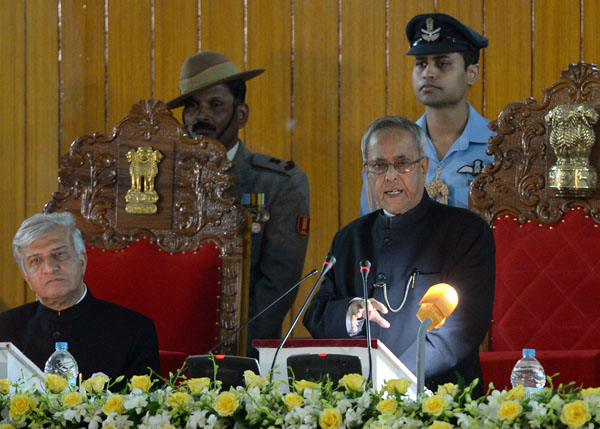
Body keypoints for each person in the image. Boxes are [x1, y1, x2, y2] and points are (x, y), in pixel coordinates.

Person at [304, 116, 495, 396]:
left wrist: (390, 381)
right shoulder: (349, 238)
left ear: (423, 167)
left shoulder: (465, 231)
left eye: (402, 163)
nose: (390, 176)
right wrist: (350, 311)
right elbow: (316, 314)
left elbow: (461, 328)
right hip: (359, 400)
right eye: (379, 165)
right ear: (367, 172)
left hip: (440, 400)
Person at [166, 51, 310, 358]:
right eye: (192, 107)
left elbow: (278, 287)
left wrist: (231, 355)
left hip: (243, 355)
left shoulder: (279, 183)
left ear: (241, 115)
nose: (200, 117)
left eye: (215, 105)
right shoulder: (162, 179)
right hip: (169, 346)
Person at [0, 212, 160, 381]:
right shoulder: (5, 329)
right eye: (36, 260)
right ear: (26, 276)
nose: (50, 268)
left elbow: (145, 404)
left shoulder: (134, 331)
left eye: (59, 254)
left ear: (82, 260)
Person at [360, 12, 494, 214]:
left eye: (442, 63)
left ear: (471, 73)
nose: (428, 73)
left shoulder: (500, 146)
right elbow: (372, 228)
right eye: (421, 64)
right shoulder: (389, 149)